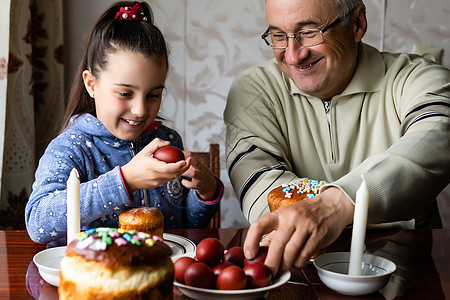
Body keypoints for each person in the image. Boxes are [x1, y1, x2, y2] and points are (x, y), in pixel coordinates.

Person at [224, 0, 450, 275]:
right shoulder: (253, 89)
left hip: (405, 272)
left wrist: (338, 204)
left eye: (309, 32)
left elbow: (438, 135)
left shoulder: (417, 77)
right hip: (298, 271)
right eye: (279, 36)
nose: (293, 56)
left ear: (357, 23)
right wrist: (326, 211)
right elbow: (259, 183)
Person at [26, 1, 222, 244]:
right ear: (91, 84)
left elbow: (181, 230)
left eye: (153, 95)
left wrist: (204, 193)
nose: (140, 110)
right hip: (95, 276)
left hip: (156, 275)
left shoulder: (167, 141)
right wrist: (125, 181)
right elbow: (38, 222)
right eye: (125, 94)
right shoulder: (71, 148)